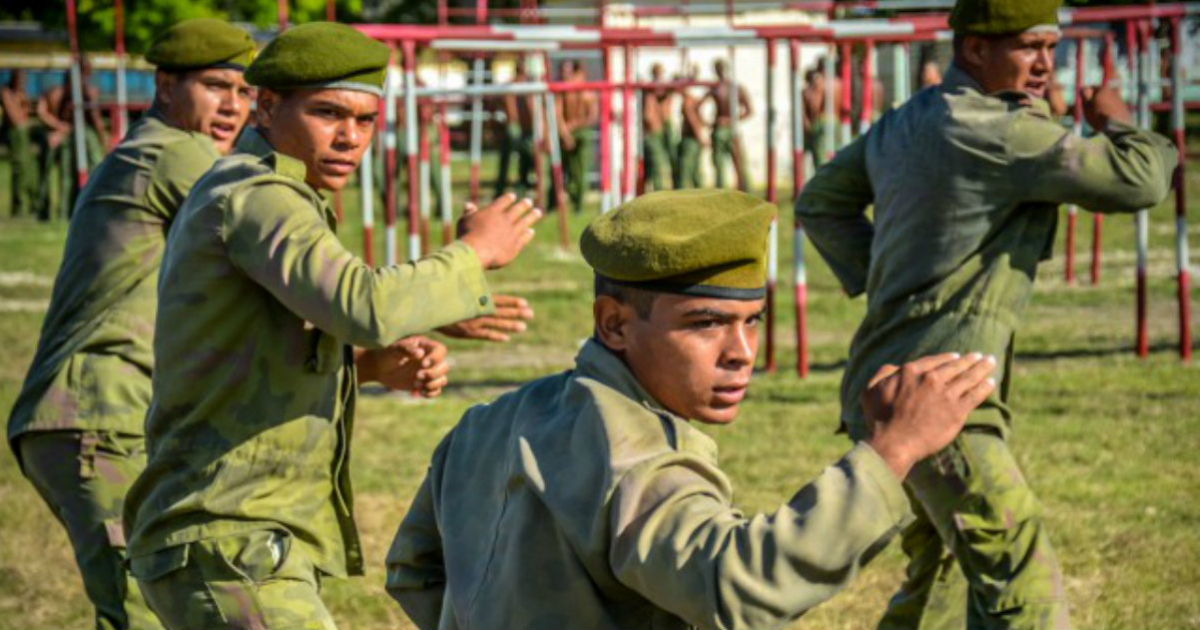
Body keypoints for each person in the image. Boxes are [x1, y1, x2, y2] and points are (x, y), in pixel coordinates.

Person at [386, 189, 999, 630]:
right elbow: (738, 585)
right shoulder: (642, 460)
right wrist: (891, 450)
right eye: (705, 324)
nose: (741, 353)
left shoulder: (486, 422)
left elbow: (413, 570)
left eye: (751, 322)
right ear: (615, 325)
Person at [122, 23, 543, 629]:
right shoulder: (257, 193)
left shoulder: (277, 193)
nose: (350, 137)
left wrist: (368, 366)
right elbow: (362, 305)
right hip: (227, 536)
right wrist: (473, 254)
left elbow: (264, 351)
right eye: (328, 113)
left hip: (239, 538)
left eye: (366, 120)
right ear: (266, 107)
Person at [795, 0, 1177, 626]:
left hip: (883, 384)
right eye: (1028, 46)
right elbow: (1138, 181)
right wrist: (1120, 121)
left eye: (1051, 49)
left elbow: (818, 201)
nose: (1044, 65)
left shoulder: (908, 119)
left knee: (941, 575)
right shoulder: (1001, 131)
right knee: (1022, 586)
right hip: (942, 397)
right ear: (974, 49)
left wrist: (890, 281)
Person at [7, 19, 258, 630]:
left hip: (103, 415)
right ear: (165, 86)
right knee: (145, 609)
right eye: (216, 86)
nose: (233, 106)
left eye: (245, 92)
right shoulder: (177, 153)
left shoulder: (157, 149)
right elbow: (278, 247)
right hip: (98, 414)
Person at [36, 55, 108, 220]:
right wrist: (60, 129)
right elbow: (46, 113)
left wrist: (103, 141)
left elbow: (94, 119)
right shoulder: (58, 93)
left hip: (78, 137)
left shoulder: (88, 92)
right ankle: (58, 211)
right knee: (65, 175)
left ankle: (78, 209)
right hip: (66, 138)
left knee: (85, 171)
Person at [702, 59, 751, 191]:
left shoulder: (736, 88)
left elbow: (749, 110)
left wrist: (730, 120)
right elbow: (697, 106)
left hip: (732, 129)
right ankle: (720, 195)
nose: (720, 72)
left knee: (739, 163)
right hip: (719, 130)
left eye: (721, 68)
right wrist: (708, 122)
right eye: (718, 69)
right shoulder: (715, 88)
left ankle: (745, 193)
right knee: (719, 166)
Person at [556, 60, 597, 212]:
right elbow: (592, 116)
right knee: (572, 171)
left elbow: (592, 116)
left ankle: (576, 201)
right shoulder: (582, 91)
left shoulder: (572, 90)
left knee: (578, 171)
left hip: (574, 130)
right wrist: (567, 132)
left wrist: (569, 129)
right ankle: (575, 201)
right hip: (573, 130)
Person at [495, 59, 535, 199]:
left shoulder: (513, 85)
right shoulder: (525, 87)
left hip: (518, 127)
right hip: (517, 127)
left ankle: (504, 188)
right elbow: (514, 113)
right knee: (526, 156)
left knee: (510, 160)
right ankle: (517, 187)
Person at [2, 69, 38, 217]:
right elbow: (15, 118)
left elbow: (25, 115)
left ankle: (31, 204)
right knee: (19, 169)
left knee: (30, 170)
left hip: (23, 134)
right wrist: (21, 106)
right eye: (20, 79)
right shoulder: (6, 93)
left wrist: (23, 105)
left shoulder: (21, 95)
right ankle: (18, 206)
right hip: (14, 134)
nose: (22, 82)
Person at [674, 65, 706, 189]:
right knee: (695, 170)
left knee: (685, 170)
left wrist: (700, 137)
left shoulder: (687, 101)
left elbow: (692, 120)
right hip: (694, 139)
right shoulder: (693, 99)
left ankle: (684, 194)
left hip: (690, 140)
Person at [641, 63, 672, 192]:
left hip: (659, 132)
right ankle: (658, 192)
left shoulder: (661, 91)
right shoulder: (649, 92)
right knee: (656, 165)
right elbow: (648, 116)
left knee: (658, 165)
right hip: (652, 133)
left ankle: (655, 190)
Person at [802, 64, 828, 171]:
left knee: (819, 153)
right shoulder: (806, 93)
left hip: (820, 124)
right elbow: (802, 112)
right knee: (807, 152)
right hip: (810, 126)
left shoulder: (823, 92)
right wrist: (806, 123)